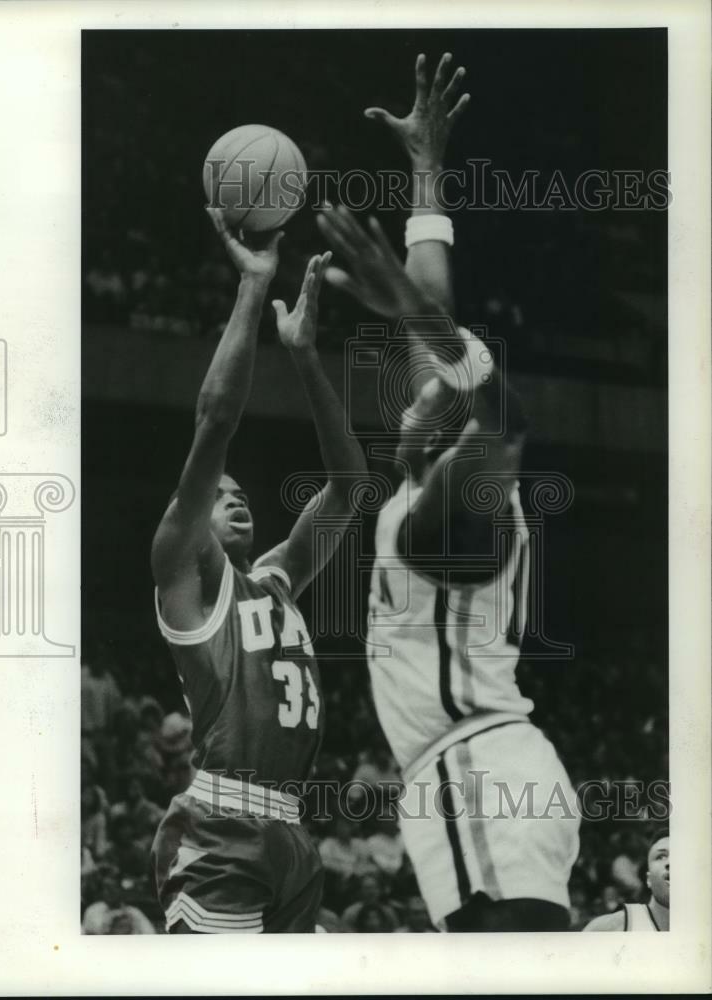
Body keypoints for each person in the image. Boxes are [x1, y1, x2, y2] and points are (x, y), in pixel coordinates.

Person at [318, 52, 579, 932]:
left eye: (437, 389)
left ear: (445, 434)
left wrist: (415, 315)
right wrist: (425, 173)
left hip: (476, 773)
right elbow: (439, 321)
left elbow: (502, 417)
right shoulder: (431, 475)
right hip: (473, 773)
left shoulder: (449, 513)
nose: (418, 386)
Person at [150, 208, 367, 934]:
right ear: (190, 515)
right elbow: (214, 424)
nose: (235, 499)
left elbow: (348, 487)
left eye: (243, 495)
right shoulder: (182, 570)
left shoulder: (275, 578)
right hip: (220, 825)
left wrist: (305, 356)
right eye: (219, 496)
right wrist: (253, 286)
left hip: (291, 834)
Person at [583, 830, 669, 932]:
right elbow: (633, 884)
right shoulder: (621, 861)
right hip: (628, 897)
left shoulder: (641, 861)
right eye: (662, 857)